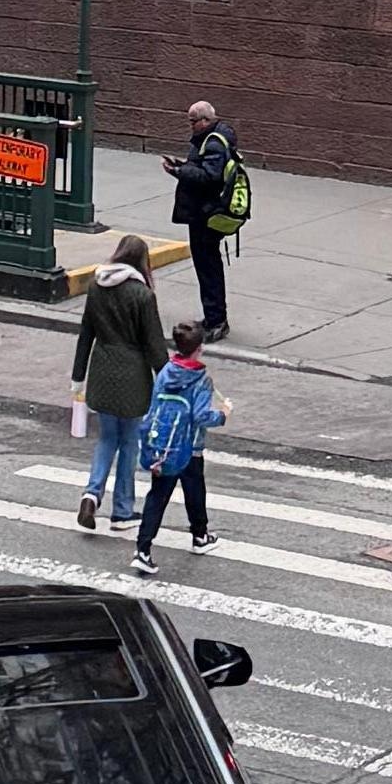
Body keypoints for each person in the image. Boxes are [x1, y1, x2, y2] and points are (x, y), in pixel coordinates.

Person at [72, 233, 168, 533]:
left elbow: (86, 333)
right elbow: (154, 346)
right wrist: (167, 379)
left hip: (101, 370)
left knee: (106, 439)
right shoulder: (142, 295)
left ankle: (91, 494)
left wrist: (78, 376)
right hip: (132, 377)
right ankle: (123, 510)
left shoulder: (96, 287)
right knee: (129, 444)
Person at [135, 322, 226, 560]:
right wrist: (223, 414)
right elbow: (201, 416)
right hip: (191, 446)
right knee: (195, 490)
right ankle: (199, 536)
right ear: (199, 348)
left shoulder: (166, 371)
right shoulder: (201, 380)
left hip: (164, 446)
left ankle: (143, 549)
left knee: (158, 496)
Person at [166, 96, 250, 343]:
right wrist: (181, 167)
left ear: (205, 120)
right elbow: (203, 169)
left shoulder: (213, 142)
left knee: (208, 268)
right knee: (207, 267)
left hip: (207, 213)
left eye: (193, 121)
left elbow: (209, 176)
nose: (190, 126)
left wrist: (179, 171)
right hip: (205, 212)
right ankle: (213, 317)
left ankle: (217, 321)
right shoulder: (213, 138)